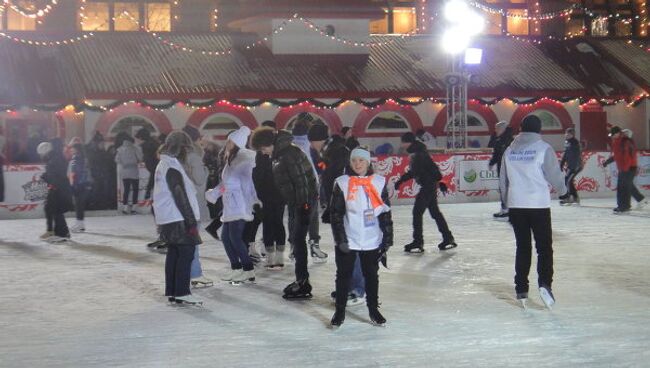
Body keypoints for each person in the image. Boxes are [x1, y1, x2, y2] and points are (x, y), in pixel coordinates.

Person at [499, 115, 567, 309]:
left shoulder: (509, 150)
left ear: (521, 128)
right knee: (544, 247)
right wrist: (563, 191)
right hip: (538, 205)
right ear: (539, 130)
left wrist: (505, 203)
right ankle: (545, 283)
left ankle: (521, 288)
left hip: (516, 205)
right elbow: (554, 175)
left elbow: (503, 179)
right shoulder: (543, 148)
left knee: (523, 247)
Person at [251, 126, 318, 299]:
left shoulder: (289, 154)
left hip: (304, 202)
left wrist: (303, 207)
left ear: (269, 143)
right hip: (297, 202)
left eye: (264, 149)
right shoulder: (280, 154)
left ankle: (303, 282)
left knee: (298, 240)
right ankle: (302, 280)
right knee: (297, 240)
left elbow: (301, 181)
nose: (264, 153)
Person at [329, 148, 393, 327]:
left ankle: (373, 309)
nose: (357, 164)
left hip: (372, 239)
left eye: (361, 160)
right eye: (354, 160)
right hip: (349, 237)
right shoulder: (342, 183)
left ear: (368, 163)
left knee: (371, 275)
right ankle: (339, 311)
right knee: (343, 275)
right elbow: (335, 214)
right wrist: (340, 239)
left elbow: (385, 213)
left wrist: (387, 238)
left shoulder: (379, 182)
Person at [153, 131, 203, 305]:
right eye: (186, 149)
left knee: (174, 254)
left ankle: (173, 291)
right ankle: (182, 291)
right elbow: (180, 196)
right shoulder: (172, 167)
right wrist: (190, 223)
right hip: (178, 217)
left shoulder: (164, 164)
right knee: (186, 254)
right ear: (181, 148)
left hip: (168, 217)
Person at [206, 126, 258, 284]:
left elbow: (245, 183)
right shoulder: (232, 159)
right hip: (230, 205)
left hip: (239, 204)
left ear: (236, 142)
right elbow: (225, 183)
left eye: (230, 140)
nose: (226, 143)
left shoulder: (244, 159)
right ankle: (236, 268)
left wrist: (252, 201)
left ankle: (248, 270)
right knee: (226, 238)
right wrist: (214, 193)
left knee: (234, 238)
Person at [395, 132, 456, 253]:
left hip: (428, 186)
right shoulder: (418, 151)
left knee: (417, 212)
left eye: (403, 142)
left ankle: (418, 241)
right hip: (430, 185)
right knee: (435, 213)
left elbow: (414, 172)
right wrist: (440, 181)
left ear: (408, 142)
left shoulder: (418, 154)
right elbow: (432, 168)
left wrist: (400, 181)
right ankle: (448, 237)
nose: (401, 144)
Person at [250, 122, 287, 270]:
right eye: (261, 150)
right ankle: (270, 255)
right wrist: (257, 195)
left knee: (277, 222)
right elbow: (257, 175)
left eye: (264, 149)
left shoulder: (282, 154)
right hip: (265, 195)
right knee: (267, 223)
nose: (263, 152)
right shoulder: (260, 155)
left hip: (279, 194)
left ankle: (279, 255)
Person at [291, 117, 327, 263]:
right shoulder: (311, 143)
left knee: (295, 216)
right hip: (310, 184)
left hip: (294, 185)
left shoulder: (290, 142)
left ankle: (294, 247)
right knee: (312, 216)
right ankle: (314, 244)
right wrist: (324, 169)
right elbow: (319, 164)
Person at [39, 139, 73, 243]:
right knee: (51, 208)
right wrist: (46, 177)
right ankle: (57, 231)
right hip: (58, 187)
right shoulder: (55, 158)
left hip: (58, 188)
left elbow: (57, 175)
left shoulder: (54, 159)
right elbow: (55, 174)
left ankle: (62, 233)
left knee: (56, 210)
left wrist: (47, 178)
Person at [603, 126, 643, 213]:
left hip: (629, 167)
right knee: (622, 187)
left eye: (613, 134)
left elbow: (627, 156)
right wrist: (607, 162)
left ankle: (624, 207)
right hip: (623, 167)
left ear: (617, 133)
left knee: (624, 187)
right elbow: (617, 155)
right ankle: (623, 206)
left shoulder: (625, 142)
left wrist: (625, 168)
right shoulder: (616, 142)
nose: (612, 136)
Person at [488, 121, 514, 217]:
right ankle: (505, 208)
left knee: (505, 188)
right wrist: (492, 162)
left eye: (497, 129)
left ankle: (506, 209)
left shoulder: (506, 141)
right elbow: (497, 153)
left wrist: (492, 162)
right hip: (505, 168)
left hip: (506, 169)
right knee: (504, 188)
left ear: (502, 129)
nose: (495, 131)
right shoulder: (502, 140)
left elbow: (499, 154)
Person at [115, 134, 143, 215]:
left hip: (125, 172)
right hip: (134, 171)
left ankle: (125, 208)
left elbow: (117, 159)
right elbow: (140, 158)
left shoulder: (120, 149)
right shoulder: (135, 149)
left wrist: (124, 163)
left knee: (126, 190)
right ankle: (134, 208)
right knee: (135, 190)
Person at [69, 143, 93, 233]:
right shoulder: (83, 158)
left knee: (78, 205)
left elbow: (76, 173)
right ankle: (80, 223)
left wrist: (75, 185)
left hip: (79, 185)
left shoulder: (77, 159)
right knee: (79, 205)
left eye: (73, 149)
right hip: (84, 184)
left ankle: (79, 224)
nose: (71, 150)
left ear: (77, 150)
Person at [202, 139, 223, 240]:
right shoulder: (209, 155)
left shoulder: (218, 154)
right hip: (217, 183)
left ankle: (213, 226)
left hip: (218, 183)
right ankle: (213, 226)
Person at [559, 127, 582, 206]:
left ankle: (572, 198)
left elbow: (577, 155)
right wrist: (561, 164)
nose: (566, 135)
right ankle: (571, 198)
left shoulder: (575, 143)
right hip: (570, 166)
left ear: (572, 135)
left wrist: (575, 166)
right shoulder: (567, 142)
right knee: (567, 180)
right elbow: (565, 154)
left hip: (576, 166)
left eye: (568, 134)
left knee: (568, 181)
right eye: (566, 133)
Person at [135, 128, 160, 200]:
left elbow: (143, 157)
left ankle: (148, 192)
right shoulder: (155, 143)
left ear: (141, 137)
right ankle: (149, 192)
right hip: (156, 164)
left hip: (151, 164)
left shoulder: (144, 145)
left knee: (152, 178)